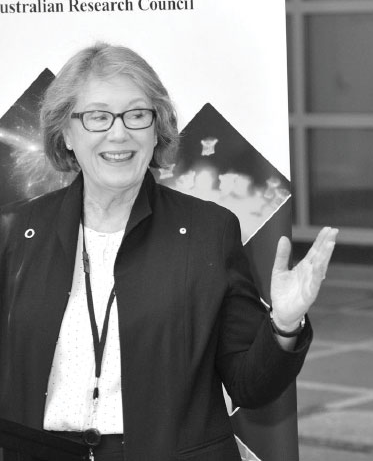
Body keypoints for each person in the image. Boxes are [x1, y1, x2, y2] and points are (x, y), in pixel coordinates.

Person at [0, 43, 338, 461]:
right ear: (66, 133)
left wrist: (284, 325)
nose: (119, 133)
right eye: (98, 116)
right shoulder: (18, 232)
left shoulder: (207, 231)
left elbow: (250, 386)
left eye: (137, 115)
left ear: (156, 129)